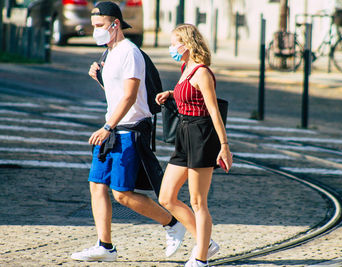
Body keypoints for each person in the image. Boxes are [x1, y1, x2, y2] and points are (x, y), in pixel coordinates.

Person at [71, 2, 185, 262]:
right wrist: (100, 80)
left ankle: (172, 223)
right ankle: (105, 246)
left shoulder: (129, 52)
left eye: (99, 26)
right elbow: (116, 96)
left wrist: (108, 126)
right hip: (112, 129)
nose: (95, 31)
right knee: (96, 185)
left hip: (129, 130)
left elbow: (131, 96)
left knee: (122, 194)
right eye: (94, 26)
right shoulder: (108, 54)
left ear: (116, 24)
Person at [155, 24, 233, 267]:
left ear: (187, 44)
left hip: (202, 137)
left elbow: (213, 111)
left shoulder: (202, 72)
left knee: (198, 202)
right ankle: (206, 243)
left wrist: (224, 145)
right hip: (184, 135)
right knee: (166, 197)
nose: (172, 47)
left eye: (175, 42)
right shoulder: (185, 68)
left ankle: (201, 258)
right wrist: (171, 92)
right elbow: (189, 94)